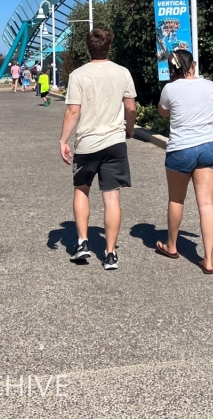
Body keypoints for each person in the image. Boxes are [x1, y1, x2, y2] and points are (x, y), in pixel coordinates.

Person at [58, 28, 137, 270]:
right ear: (109, 46)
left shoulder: (78, 75)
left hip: (87, 144)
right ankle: (110, 253)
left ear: (88, 47)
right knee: (111, 197)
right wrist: (129, 130)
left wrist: (63, 140)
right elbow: (131, 107)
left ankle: (82, 242)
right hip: (114, 142)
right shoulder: (122, 73)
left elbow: (73, 110)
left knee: (81, 190)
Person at [154, 50, 213, 275]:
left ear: (172, 69)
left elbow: (163, 113)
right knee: (206, 204)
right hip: (208, 147)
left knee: (176, 199)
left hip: (180, 149)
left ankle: (172, 246)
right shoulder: (211, 86)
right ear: (193, 65)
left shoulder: (170, 89)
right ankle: (208, 259)